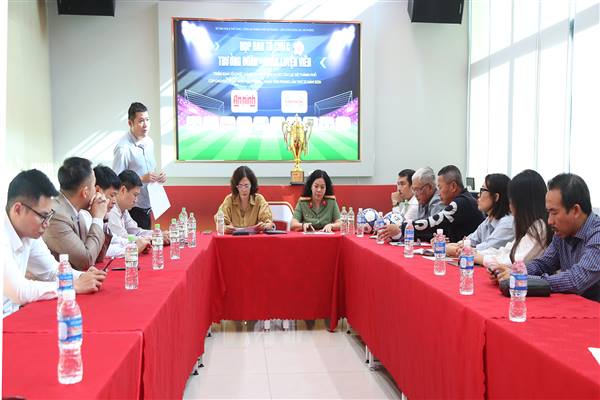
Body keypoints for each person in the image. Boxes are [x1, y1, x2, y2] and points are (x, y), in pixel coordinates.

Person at [3, 170, 106, 317]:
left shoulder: (30, 234)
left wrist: (81, 277)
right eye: (43, 216)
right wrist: (71, 286)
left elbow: (50, 270)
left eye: (49, 215)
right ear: (18, 209)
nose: (47, 224)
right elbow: (19, 291)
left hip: (12, 317)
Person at [495, 173, 600, 301]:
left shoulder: (597, 234)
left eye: (554, 212)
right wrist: (516, 271)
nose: (549, 221)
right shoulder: (562, 232)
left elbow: (577, 279)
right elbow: (544, 264)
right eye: (548, 212)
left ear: (575, 211)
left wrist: (524, 279)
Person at [380, 165, 484, 242]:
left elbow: (433, 222)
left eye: (440, 187)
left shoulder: (462, 202)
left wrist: (401, 228)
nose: (438, 192)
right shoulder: (460, 201)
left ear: (453, 186)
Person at [43, 157, 112, 270]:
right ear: (85, 192)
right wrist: (98, 218)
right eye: (94, 186)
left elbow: (97, 256)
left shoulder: (76, 209)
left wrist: (103, 219)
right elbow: (86, 260)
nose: (97, 191)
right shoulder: (57, 216)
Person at [476, 170, 552, 271]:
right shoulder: (529, 225)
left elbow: (515, 261)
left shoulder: (540, 226)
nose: (510, 206)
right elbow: (507, 250)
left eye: (512, 201)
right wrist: (475, 253)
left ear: (522, 203)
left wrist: (482, 258)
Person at [113, 102, 166, 229]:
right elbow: (116, 181)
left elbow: (150, 169)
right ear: (130, 123)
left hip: (149, 205)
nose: (146, 125)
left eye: (148, 120)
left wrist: (159, 176)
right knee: (138, 244)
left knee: (148, 241)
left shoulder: (149, 142)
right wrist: (141, 179)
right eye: (141, 121)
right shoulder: (123, 148)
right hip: (133, 208)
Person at [446, 173, 513, 256]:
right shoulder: (488, 221)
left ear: (496, 197)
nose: (478, 195)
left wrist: (448, 248)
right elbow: (467, 242)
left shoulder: (507, 224)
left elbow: (485, 250)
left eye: (482, 190)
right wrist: (446, 246)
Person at [108, 170, 170, 255]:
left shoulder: (124, 210)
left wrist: (157, 234)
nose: (136, 200)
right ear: (123, 190)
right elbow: (124, 238)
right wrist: (153, 238)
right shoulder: (111, 210)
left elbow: (136, 231)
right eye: (135, 195)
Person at [378, 166, 445, 239]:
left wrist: (400, 233)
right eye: (414, 189)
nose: (415, 194)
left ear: (429, 187)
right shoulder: (422, 199)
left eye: (417, 189)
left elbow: (430, 231)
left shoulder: (437, 202)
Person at [215, 166, 274, 233]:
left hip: (254, 239)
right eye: (240, 186)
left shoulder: (259, 200)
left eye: (246, 186)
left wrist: (266, 226)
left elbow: (268, 222)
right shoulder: (229, 200)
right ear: (236, 186)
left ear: (252, 185)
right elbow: (219, 220)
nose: (243, 189)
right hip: (234, 240)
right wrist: (225, 228)